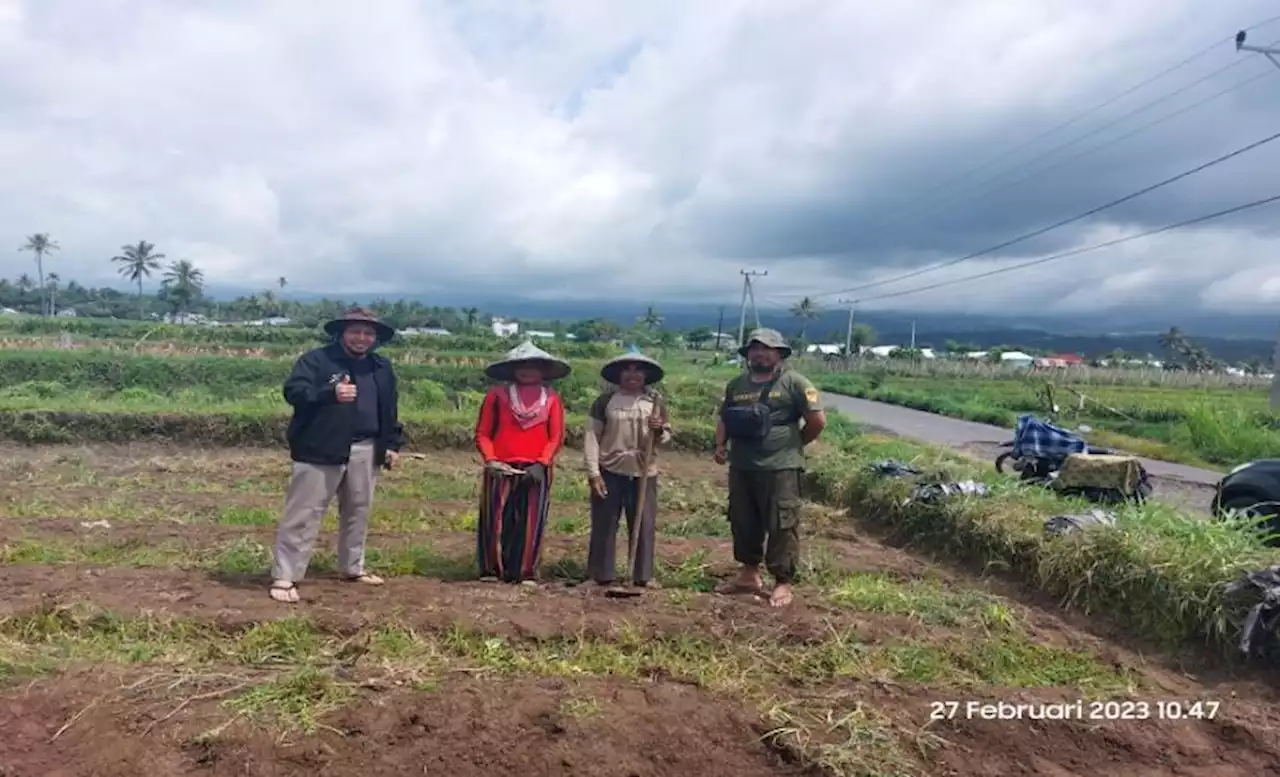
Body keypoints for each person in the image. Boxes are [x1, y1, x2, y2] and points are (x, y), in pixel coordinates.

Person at [269, 306, 404, 603]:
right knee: (304, 513)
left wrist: (392, 443)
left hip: (367, 449)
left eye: (368, 333)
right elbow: (294, 392)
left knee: (358, 510)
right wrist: (329, 394)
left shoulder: (381, 368)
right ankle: (286, 575)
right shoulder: (317, 361)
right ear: (341, 333)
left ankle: (352, 567)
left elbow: (389, 409)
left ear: (375, 338)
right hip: (320, 448)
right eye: (355, 331)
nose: (361, 337)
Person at [713, 327, 826, 607]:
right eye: (754, 348)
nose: (760, 353)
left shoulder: (796, 382)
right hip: (742, 464)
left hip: (781, 467)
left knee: (782, 523)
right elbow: (724, 418)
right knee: (743, 519)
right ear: (748, 354)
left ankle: (782, 582)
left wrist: (794, 444)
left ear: (779, 353)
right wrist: (719, 445)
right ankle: (748, 574)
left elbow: (817, 421)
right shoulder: (737, 385)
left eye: (766, 348)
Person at [474, 341, 569, 584]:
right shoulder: (497, 396)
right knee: (495, 519)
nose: (527, 370)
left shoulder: (552, 399)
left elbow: (556, 436)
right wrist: (491, 460)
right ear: (511, 369)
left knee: (531, 521)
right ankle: (492, 570)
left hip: (536, 467)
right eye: (521, 365)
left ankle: (525, 571)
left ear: (544, 370)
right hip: (501, 466)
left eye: (534, 366)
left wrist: (542, 463)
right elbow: (483, 432)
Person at [584, 348, 672, 591]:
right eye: (627, 369)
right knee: (605, 522)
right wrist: (594, 472)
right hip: (610, 469)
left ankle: (642, 576)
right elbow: (592, 437)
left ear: (645, 375)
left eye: (638, 370)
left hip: (644, 472)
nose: (632, 375)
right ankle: (600, 575)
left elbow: (665, 437)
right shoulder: (604, 402)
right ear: (618, 374)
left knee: (643, 523)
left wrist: (659, 429)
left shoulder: (655, 402)